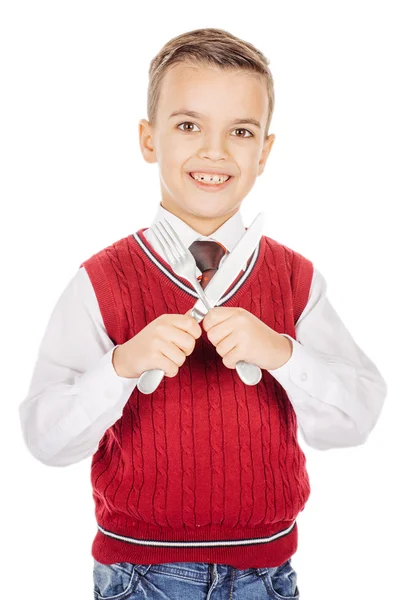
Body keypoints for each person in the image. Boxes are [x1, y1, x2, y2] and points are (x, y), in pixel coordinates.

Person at [18, 27, 387, 599]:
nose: (214, 151)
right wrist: (120, 365)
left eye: (240, 131)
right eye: (188, 125)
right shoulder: (100, 280)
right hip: (139, 576)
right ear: (148, 139)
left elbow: (358, 418)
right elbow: (46, 440)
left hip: (267, 574)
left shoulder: (296, 279)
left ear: (264, 151)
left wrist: (284, 354)